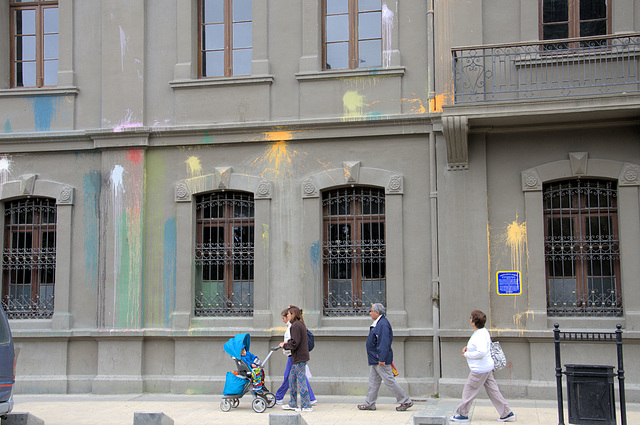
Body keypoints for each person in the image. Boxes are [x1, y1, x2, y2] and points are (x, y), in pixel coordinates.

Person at [450, 310, 516, 422]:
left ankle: (462, 414)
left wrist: (467, 354)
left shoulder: (479, 335)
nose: (469, 319)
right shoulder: (483, 332)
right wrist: (468, 348)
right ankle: (506, 413)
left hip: (479, 370)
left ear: (473, 322)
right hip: (486, 368)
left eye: (470, 318)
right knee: (493, 391)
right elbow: (481, 347)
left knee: (469, 391)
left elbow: (481, 352)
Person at [358, 303, 413, 412]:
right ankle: (369, 403)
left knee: (389, 381)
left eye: (371, 311)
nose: (370, 313)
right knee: (373, 382)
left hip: (380, 359)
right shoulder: (379, 323)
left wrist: (382, 359)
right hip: (375, 359)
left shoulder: (382, 324)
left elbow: (384, 343)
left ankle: (405, 401)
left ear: (377, 312)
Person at [275, 307, 317, 405]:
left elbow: (295, 343)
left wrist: (284, 345)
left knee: (300, 380)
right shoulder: (298, 325)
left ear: (292, 314)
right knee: (292, 378)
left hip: (298, 357)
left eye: (288, 314)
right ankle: (293, 403)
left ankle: (306, 404)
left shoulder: (295, 326)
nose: (287, 316)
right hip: (296, 357)